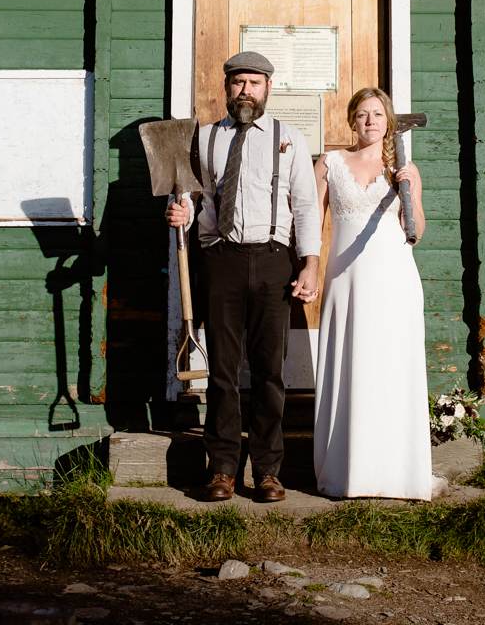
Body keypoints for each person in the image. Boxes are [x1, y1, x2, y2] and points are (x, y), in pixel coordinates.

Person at [165, 51, 320, 503]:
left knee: (271, 372)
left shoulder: (288, 138)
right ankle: (223, 470)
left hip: (274, 260)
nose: (245, 91)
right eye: (238, 83)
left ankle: (269, 471)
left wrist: (309, 262)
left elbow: (306, 206)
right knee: (223, 374)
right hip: (222, 260)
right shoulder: (206, 139)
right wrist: (181, 212)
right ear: (226, 87)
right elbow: (196, 198)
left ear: (268, 87)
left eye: (254, 83)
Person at [312, 86, 433, 500]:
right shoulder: (330, 163)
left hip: (393, 277)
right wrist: (307, 266)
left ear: (389, 121)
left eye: (377, 115)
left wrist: (409, 190)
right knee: (350, 364)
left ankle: (397, 473)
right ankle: (349, 471)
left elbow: (416, 232)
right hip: (347, 279)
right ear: (351, 119)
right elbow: (311, 221)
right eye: (362, 114)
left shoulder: (402, 166)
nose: (370, 121)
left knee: (390, 367)